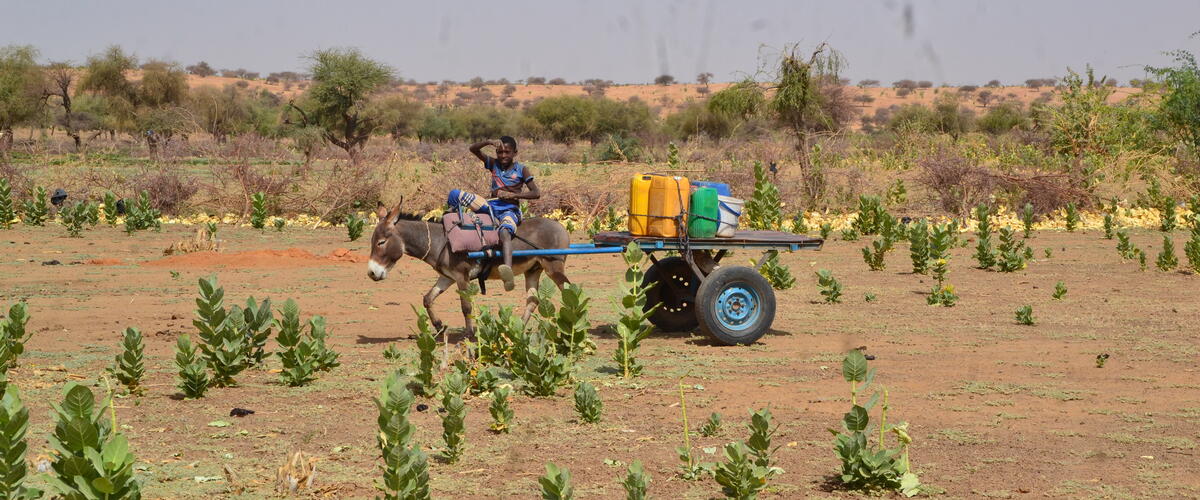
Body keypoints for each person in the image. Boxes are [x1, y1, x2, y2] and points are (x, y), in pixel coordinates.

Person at [448, 136, 541, 291]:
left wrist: (513, 196)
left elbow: (536, 193)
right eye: (499, 152)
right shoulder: (493, 164)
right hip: (489, 207)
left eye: (507, 152)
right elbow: (473, 149)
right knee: (455, 194)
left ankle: (507, 271)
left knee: (504, 232)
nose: (503, 155)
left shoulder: (521, 170)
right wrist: (488, 142)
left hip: (508, 209)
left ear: (515, 153)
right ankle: (450, 233)